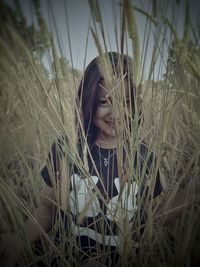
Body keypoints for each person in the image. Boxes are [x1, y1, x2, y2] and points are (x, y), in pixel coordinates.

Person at [0, 52, 199, 267]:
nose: (116, 113)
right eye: (105, 101)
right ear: (89, 101)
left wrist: (191, 194)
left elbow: (153, 217)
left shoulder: (144, 157)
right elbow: (49, 208)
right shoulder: (66, 150)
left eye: (126, 102)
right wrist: (18, 241)